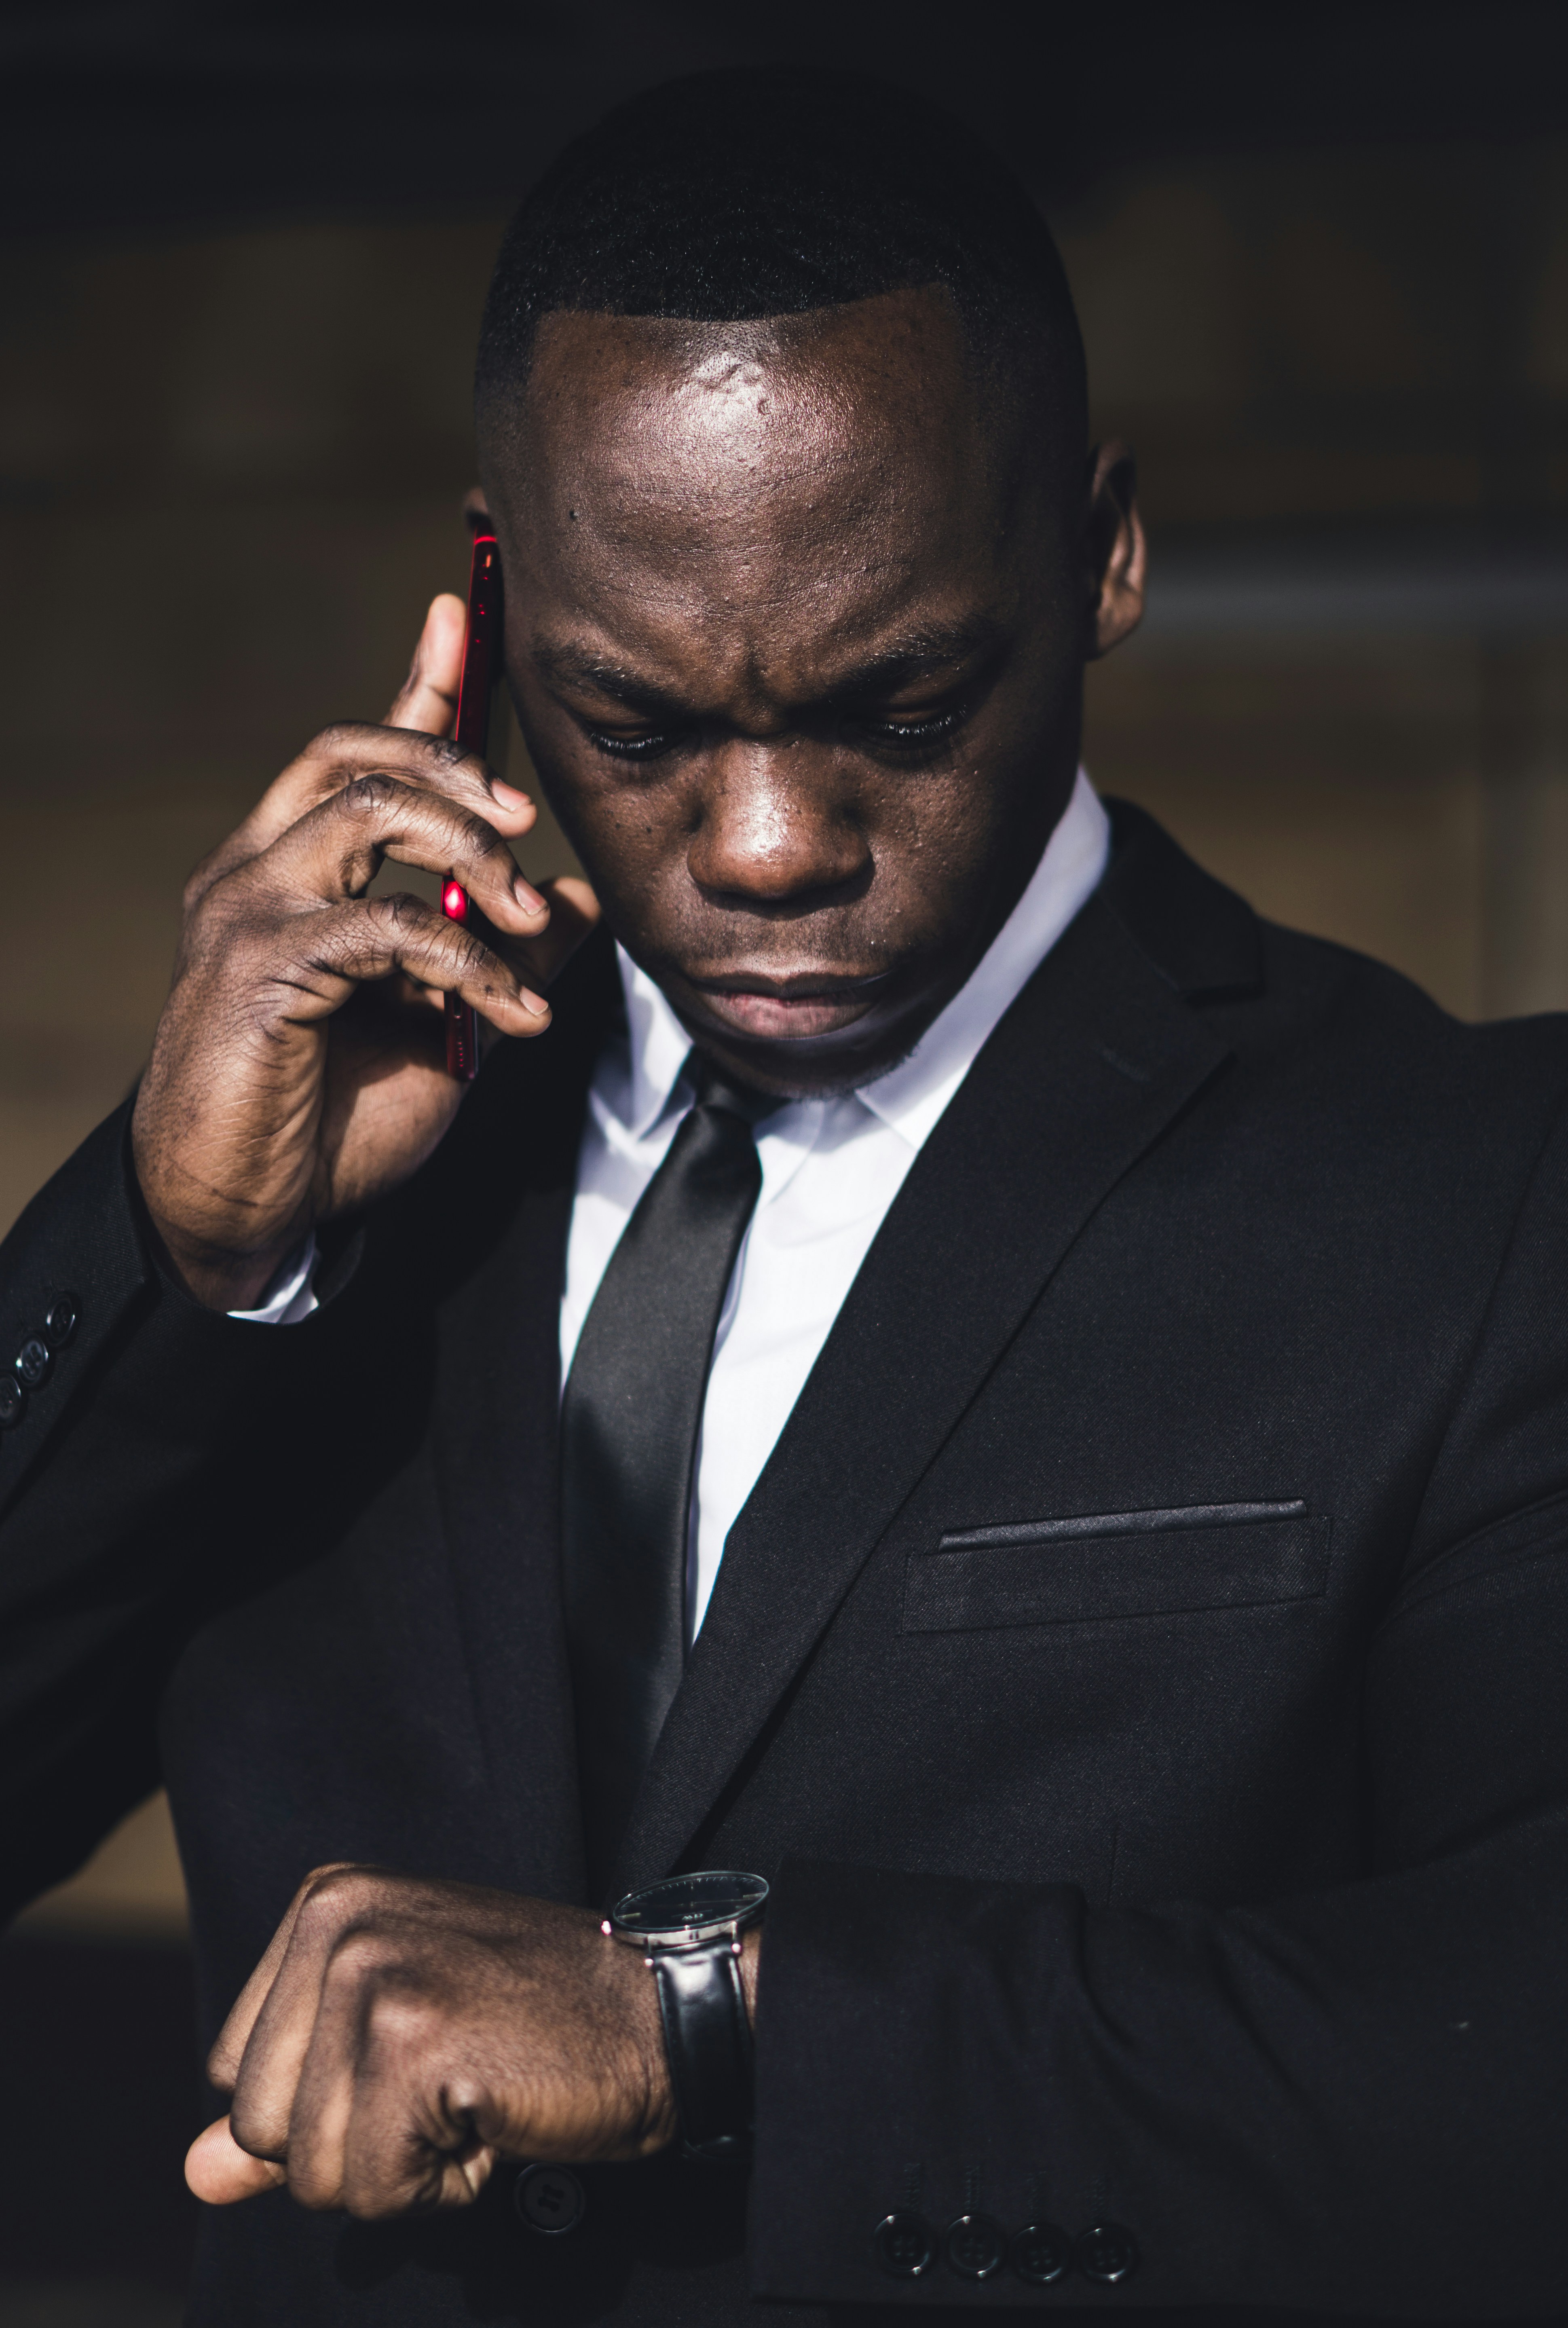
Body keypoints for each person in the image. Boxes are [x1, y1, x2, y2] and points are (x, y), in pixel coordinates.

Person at [1, 65, 1565, 2328]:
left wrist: (716, 2025)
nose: (761, 851)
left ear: (1099, 553)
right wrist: (181, 1264)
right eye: (628, 727)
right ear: (490, 602)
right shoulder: (328, 1192)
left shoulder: (1475, 1194)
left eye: (903, 705)